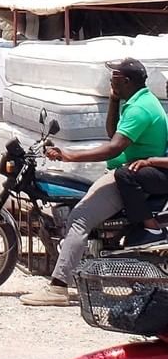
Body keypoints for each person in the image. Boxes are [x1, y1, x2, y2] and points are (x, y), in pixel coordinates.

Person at [22, 58, 168, 306]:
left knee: (79, 219)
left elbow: (113, 148)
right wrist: (113, 100)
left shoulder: (140, 109)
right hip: (124, 172)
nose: (110, 80)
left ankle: (58, 288)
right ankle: (88, 277)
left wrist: (69, 156)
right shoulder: (137, 102)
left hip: (128, 176)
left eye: (114, 78)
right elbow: (113, 133)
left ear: (126, 81)